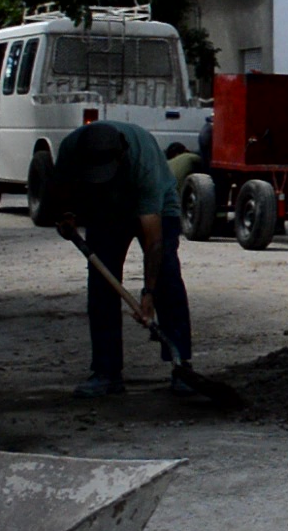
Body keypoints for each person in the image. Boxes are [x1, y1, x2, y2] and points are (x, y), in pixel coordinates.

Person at [43, 120, 196, 398]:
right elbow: (61, 188)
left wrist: (148, 294)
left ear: (122, 154)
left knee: (167, 276)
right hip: (104, 209)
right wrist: (64, 213)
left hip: (158, 207)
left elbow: (154, 241)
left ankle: (181, 365)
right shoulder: (71, 149)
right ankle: (107, 372)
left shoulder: (144, 164)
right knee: (102, 283)